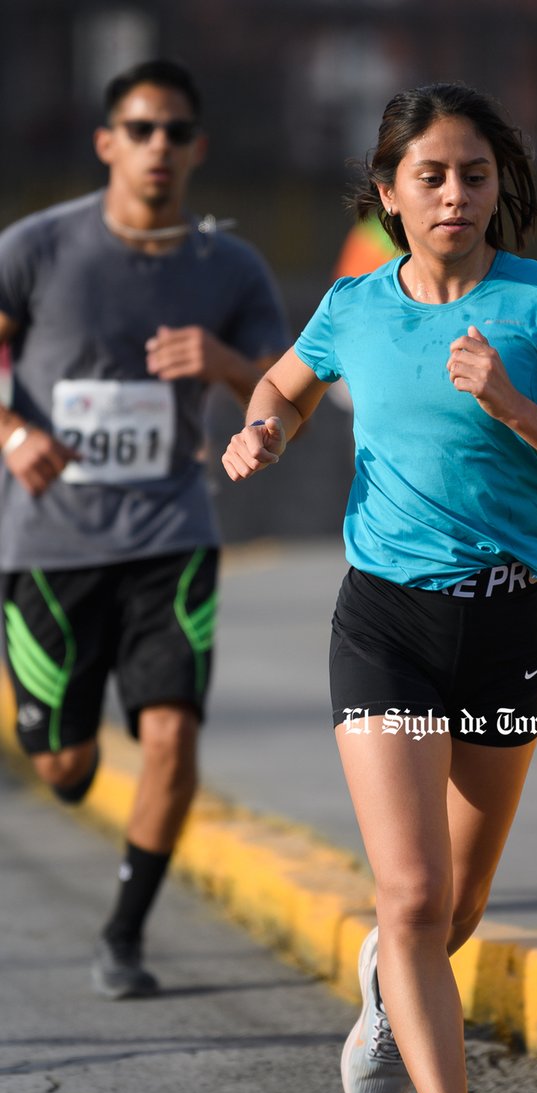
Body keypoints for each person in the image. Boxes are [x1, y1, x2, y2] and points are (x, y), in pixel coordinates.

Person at [222, 82, 537, 1093]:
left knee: (449, 911)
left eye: (471, 173)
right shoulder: (354, 304)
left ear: (498, 185)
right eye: (429, 176)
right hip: (386, 623)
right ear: (389, 193)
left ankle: (376, 993)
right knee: (407, 893)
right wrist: (263, 424)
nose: (452, 194)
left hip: (508, 627)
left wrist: (514, 407)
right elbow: (284, 385)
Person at [0, 59, 289, 1000]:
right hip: (50, 545)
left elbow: (291, 393)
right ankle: (68, 750)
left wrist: (223, 361)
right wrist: (12, 429)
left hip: (171, 533)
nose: (157, 145)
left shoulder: (229, 268)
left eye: (174, 131)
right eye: (140, 128)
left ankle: (123, 934)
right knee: (65, 764)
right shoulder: (39, 247)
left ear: (197, 147)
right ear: (107, 141)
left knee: (171, 734)